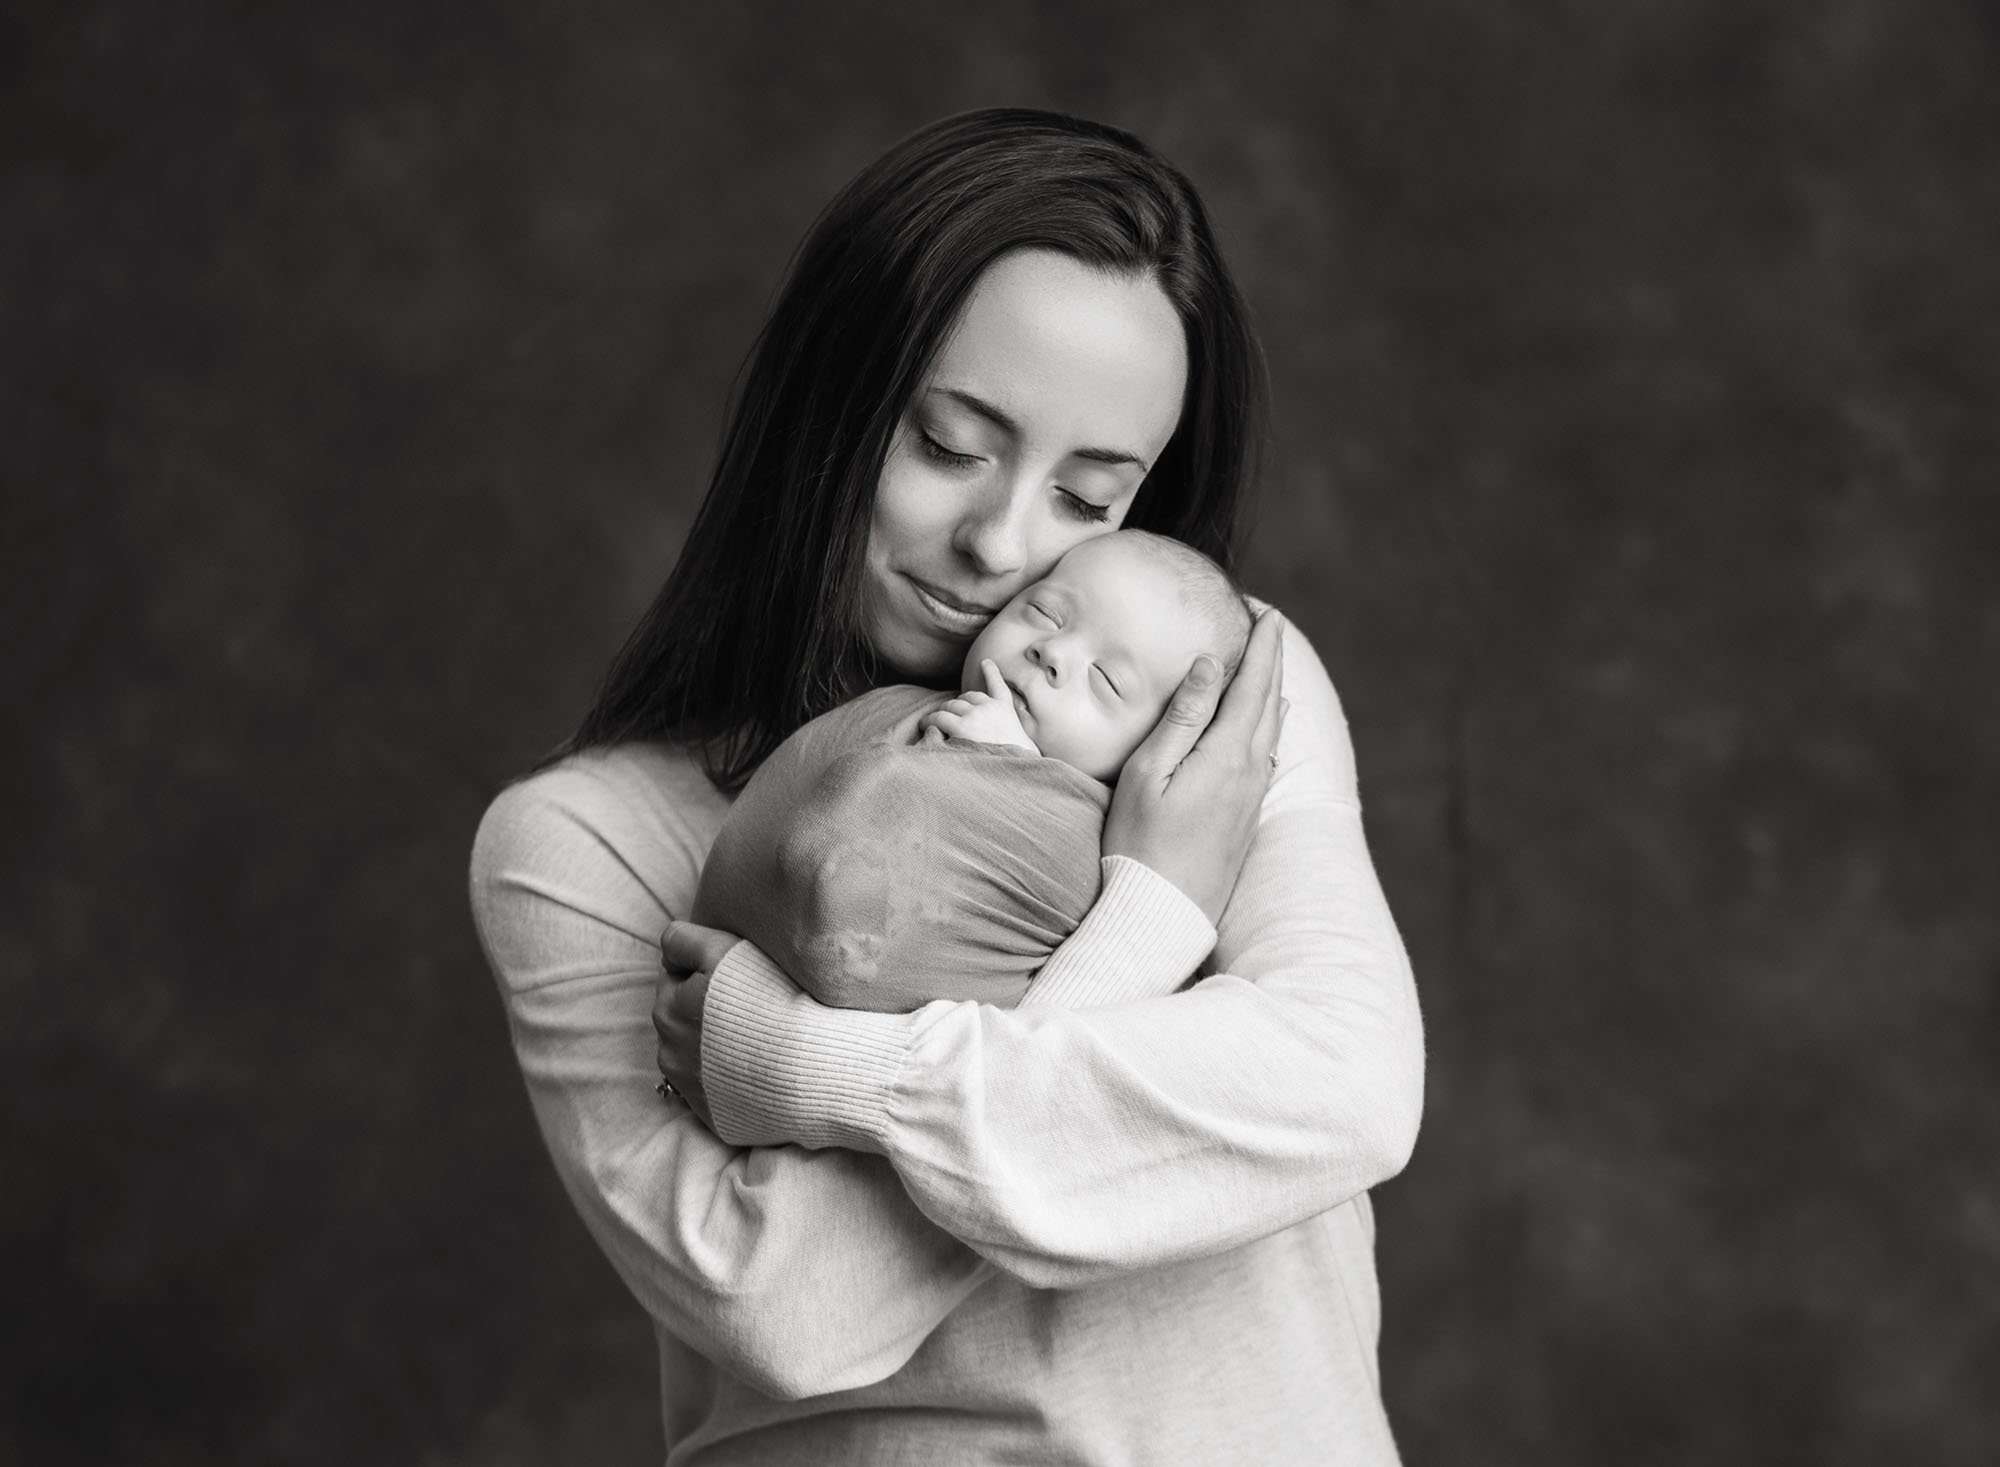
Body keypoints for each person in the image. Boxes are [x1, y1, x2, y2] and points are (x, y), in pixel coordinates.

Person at [468, 107, 1423, 1464]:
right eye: (952, 443)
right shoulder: (584, 844)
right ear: (832, 405)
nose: (1002, 544)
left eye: (1090, 498)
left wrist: (815, 1066)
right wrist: (1149, 917)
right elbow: (794, 1307)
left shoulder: (1209, 685)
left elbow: (1347, 1089)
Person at [684, 528, 1256, 1017]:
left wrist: (1008, 767)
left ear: (1160, 748)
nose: (1052, 652)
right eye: (1045, 612)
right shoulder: (899, 707)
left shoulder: (1106, 831)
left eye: (1106, 681)